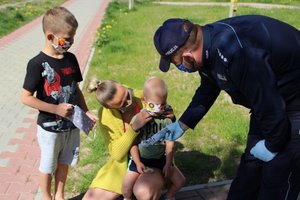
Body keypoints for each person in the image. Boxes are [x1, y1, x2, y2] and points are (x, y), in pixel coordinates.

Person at [152, 15, 300, 200]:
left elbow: (269, 105)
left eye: (176, 63)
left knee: (277, 178)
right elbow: (209, 87)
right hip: (269, 101)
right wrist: (182, 124)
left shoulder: (236, 51)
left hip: (293, 103)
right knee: (249, 171)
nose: (179, 67)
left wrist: (274, 144)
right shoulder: (206, 47)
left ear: (187, 55)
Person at [20, 7, 98, 200]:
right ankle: (47, 196)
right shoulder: (36, 64)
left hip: (71, 125)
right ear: (50, 36)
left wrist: (86, 113)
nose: (71, 43)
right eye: (67, 39)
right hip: (49, 128)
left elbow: (76, 89)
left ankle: (60, 194)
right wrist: (55, 109)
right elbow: (26, 97)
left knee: (64, 162)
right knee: (48, 165)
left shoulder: (70, 59)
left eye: (73, 38)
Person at [83, 78, 168, 200]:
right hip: (122, 165)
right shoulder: (105, 114)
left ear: (120, 84)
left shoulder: (141, 96)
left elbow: (166, 124)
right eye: (122, 104)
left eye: (127, 94)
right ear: (110, 108)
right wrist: (133, 129)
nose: (129, 101)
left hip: (151, 160)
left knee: (144, 192)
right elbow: (116, 154)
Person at [122, 77, 185, 200]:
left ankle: (169, 196)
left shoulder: (166, 119)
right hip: (140, 158)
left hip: (160, 159)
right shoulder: (138, 119)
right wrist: (138, 162)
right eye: (153, 105)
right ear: (144, 101)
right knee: (126, 188)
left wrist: (167, 164)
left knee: (180, 181)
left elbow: (170, 144)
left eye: (162, 105)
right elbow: (132, 144)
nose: (157, 109)